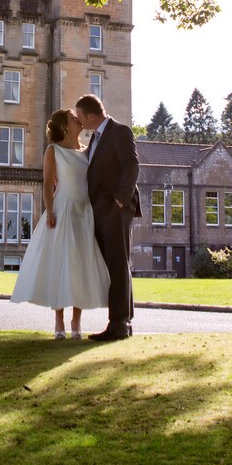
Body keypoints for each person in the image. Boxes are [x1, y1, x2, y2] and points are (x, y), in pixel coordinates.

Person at [9, 108, 109, 338]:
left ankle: (76, 321)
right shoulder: (53, 150)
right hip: (63, 210)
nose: (79, 120)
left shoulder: (88, 150)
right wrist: (50, 211)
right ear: (65, 125)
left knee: (80, 266)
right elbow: (46, 185)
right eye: (74, 118)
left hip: (85, 212)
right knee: (60, 265)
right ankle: (59, 321)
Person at [74, 93, 140, 340]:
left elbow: (131, 166)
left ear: (91, 116)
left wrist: (120, 201)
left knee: (117, 265)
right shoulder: (95, 139)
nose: (79, 122)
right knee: (116, 265)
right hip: (101, 211)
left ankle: (119, 325)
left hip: (117, 210)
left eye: (80, 117)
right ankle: (123, 323)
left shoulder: (119, 132)